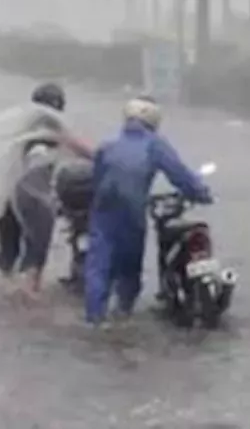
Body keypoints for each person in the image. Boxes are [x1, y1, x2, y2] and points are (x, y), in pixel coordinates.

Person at [83, 97, 211, 326]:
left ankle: (95, 320)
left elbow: (96, 179)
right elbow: (180, 175)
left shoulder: (107, 145)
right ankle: (123, 316)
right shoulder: (155, 145)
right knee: (129, 267)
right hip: (132, 213)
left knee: (99, 267)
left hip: (103, 212)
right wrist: (201, 194)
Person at [0, 82, 93, 291]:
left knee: (7, 255)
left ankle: (2, 295)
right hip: (33, 199)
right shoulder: (51, 127)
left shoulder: (22, 126)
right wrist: (105, 157)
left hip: (9, 197)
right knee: (35, 254)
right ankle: (30, 302)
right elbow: (79, 149)